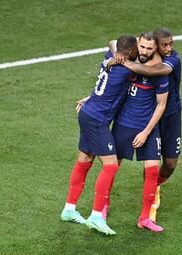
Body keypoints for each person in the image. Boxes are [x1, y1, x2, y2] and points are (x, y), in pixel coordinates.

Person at [60, 35, 138, 236]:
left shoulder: (111, 56)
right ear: (129, 53)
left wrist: (115, 54)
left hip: (89, 113)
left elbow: (112, 41)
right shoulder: (124, 68)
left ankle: (69, 209)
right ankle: (96, 216)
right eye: (137, 49)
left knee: (84, 161)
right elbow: (143, 68)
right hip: (97, 119)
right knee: (111, 165)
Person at [112, 28, 182, 222]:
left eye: (171, 43)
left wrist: (122, 61)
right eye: (164, 45)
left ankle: (156, 185)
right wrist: (117, 52)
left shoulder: (172, 59)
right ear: (156, 46)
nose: (169, 48)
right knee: (151, 162)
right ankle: (149, 204)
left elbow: (151, 71)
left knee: (170, 164)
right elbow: (113, 42)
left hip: (170, 115)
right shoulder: (144, 52)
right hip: (148, 114)